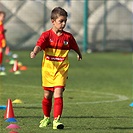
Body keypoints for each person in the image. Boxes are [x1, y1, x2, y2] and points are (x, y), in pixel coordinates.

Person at [30, 7, 82, 130]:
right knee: (47, 95)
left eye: (65, 21)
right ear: (53, 21)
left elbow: (75, 46)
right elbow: (39, 45)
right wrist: (34, 52)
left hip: (61, 70)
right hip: (48, 71)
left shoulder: (68, 37)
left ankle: (56, 120)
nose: (63, 24)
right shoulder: (46, 35)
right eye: (61, 21)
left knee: (58, 93)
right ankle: (46, 117)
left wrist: (79, 54)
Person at [0, 11, 6, 75]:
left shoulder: (1, 23)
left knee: (1, 52)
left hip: (2, 40)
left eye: (4, 17)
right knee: (0, 52)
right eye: (2, 16)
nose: (3, 18)